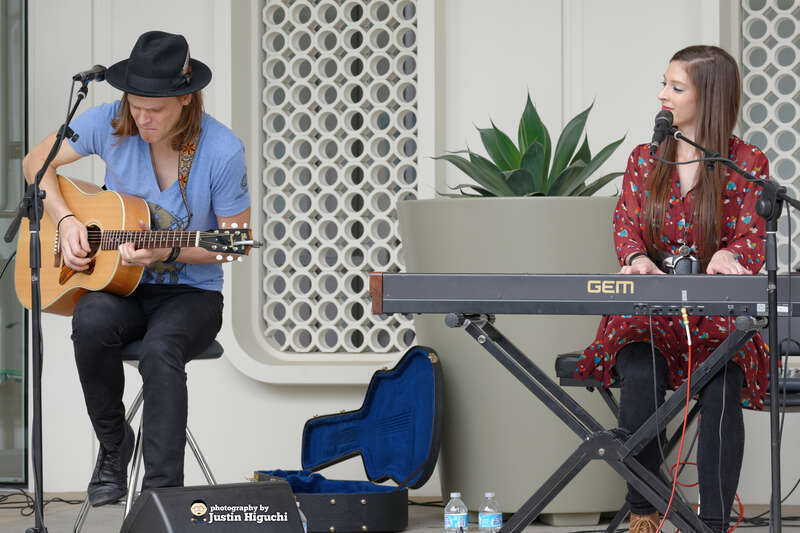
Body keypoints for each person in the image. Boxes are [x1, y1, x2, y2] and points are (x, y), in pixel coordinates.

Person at [21, 31, 251, 506]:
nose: (142, 118)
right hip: (122, 286)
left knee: (161, 350)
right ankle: (114, 448)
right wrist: (64, 219)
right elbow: (34, 163)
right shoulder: (110, 120)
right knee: (90, 321)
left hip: (192, 296)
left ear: (185, 99)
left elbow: (234, 245)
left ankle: (161, 495)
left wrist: (166, 252)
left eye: (156, 109)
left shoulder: (223, 151)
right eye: (135, 104)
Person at [576, 45, 769, 533]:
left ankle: (714, 521)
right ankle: (643, 510)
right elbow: (625, 224)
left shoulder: (747, 163)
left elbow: (752, 238)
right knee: (641, 371)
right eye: (664, 83)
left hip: (717, 320)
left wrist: (732, 256)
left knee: (723, 383)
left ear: (710, 96)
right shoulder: (645, 160)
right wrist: (637, 258)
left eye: (675, 87)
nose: (662, 95)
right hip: (648, 314)